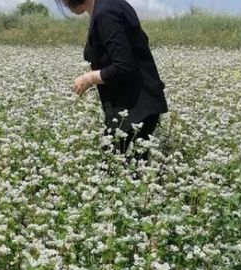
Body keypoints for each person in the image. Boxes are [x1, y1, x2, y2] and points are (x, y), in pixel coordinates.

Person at [58, 0, 168, 161]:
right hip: (134, 106)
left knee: (117, 170)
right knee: (120, 168)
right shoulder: (111, 6)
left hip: (135, 109)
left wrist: (90, 78)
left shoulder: (106, 12)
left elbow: (123, 66)